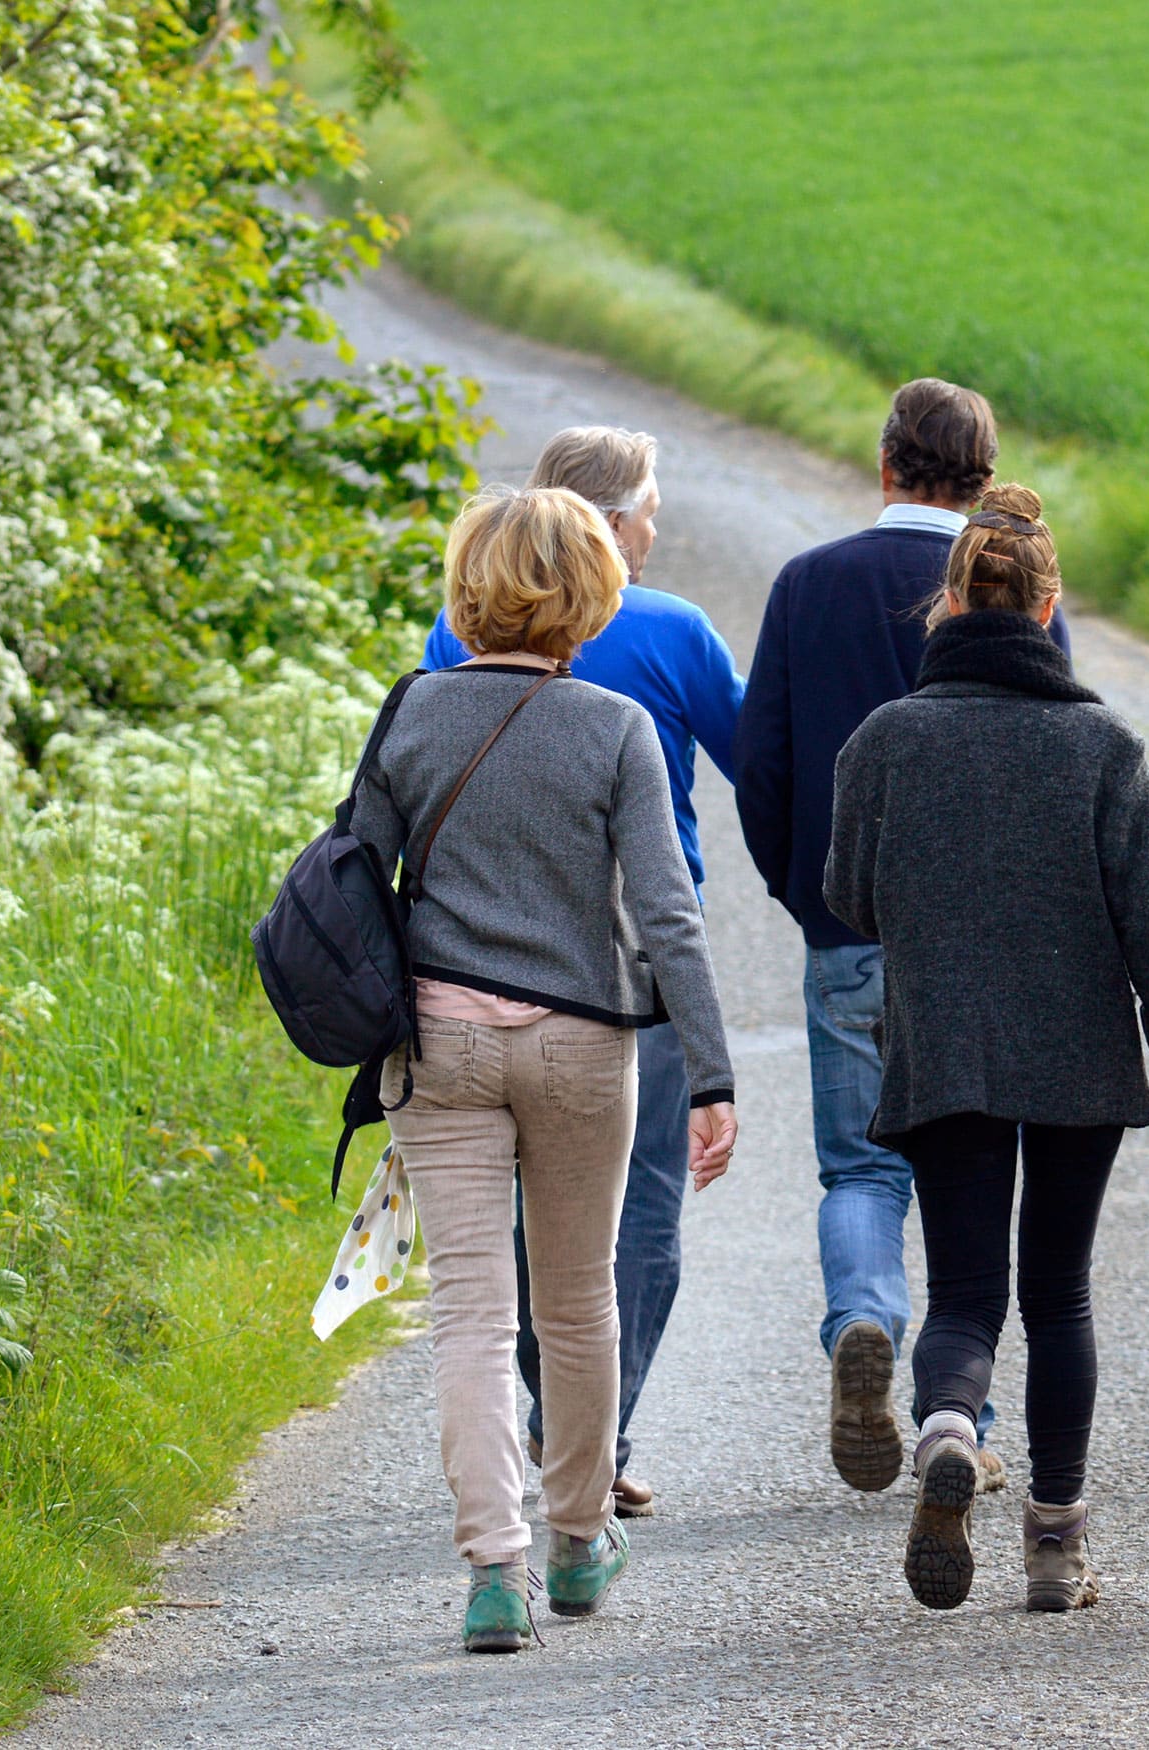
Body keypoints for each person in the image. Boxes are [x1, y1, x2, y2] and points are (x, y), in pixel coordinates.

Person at [356, 485, 740, 1654]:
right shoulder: (617, 726)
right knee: (579, 1303)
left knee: (471, 1312)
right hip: (585, 1043)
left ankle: (493, 1570)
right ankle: (577, 1542)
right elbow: (666, 915)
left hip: (440, 1044)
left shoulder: (411, 713)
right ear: (592, 593)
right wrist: (713, 1072)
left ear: (467, 583)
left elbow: (355, 883)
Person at [825, 484, 1149, 1611]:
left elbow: (849, 895)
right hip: (1077, 1055)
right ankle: (1054, 1546)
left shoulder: (886, 738)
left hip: (943, 1041)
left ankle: (948, 1422)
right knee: (1058, 1294)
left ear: (949, 600)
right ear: (1048, 608)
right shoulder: (1098, 742)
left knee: (960, 1290)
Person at [734, 379, 1069, 1496]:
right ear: (986, 474)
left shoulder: (807, 584)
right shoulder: (1012, 582)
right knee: (978, 1189)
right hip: (988, 946)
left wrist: (808, 899)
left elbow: (765, 764)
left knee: (863, 1167)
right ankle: (952, 1403)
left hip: (854, 928)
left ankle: (862, 1321)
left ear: (884, 463)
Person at [423, 426, 742, 1520]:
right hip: (610, 992)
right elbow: (691, 873)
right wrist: (712, 1070)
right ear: (608, 535)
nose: (657, 526)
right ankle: (585, 1476)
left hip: (453, 994)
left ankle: (508, 1516)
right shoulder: (655, 666)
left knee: (483, 1273)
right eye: (648, 506)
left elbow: (389, 847)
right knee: (617, 1241)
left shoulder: (429, 664)